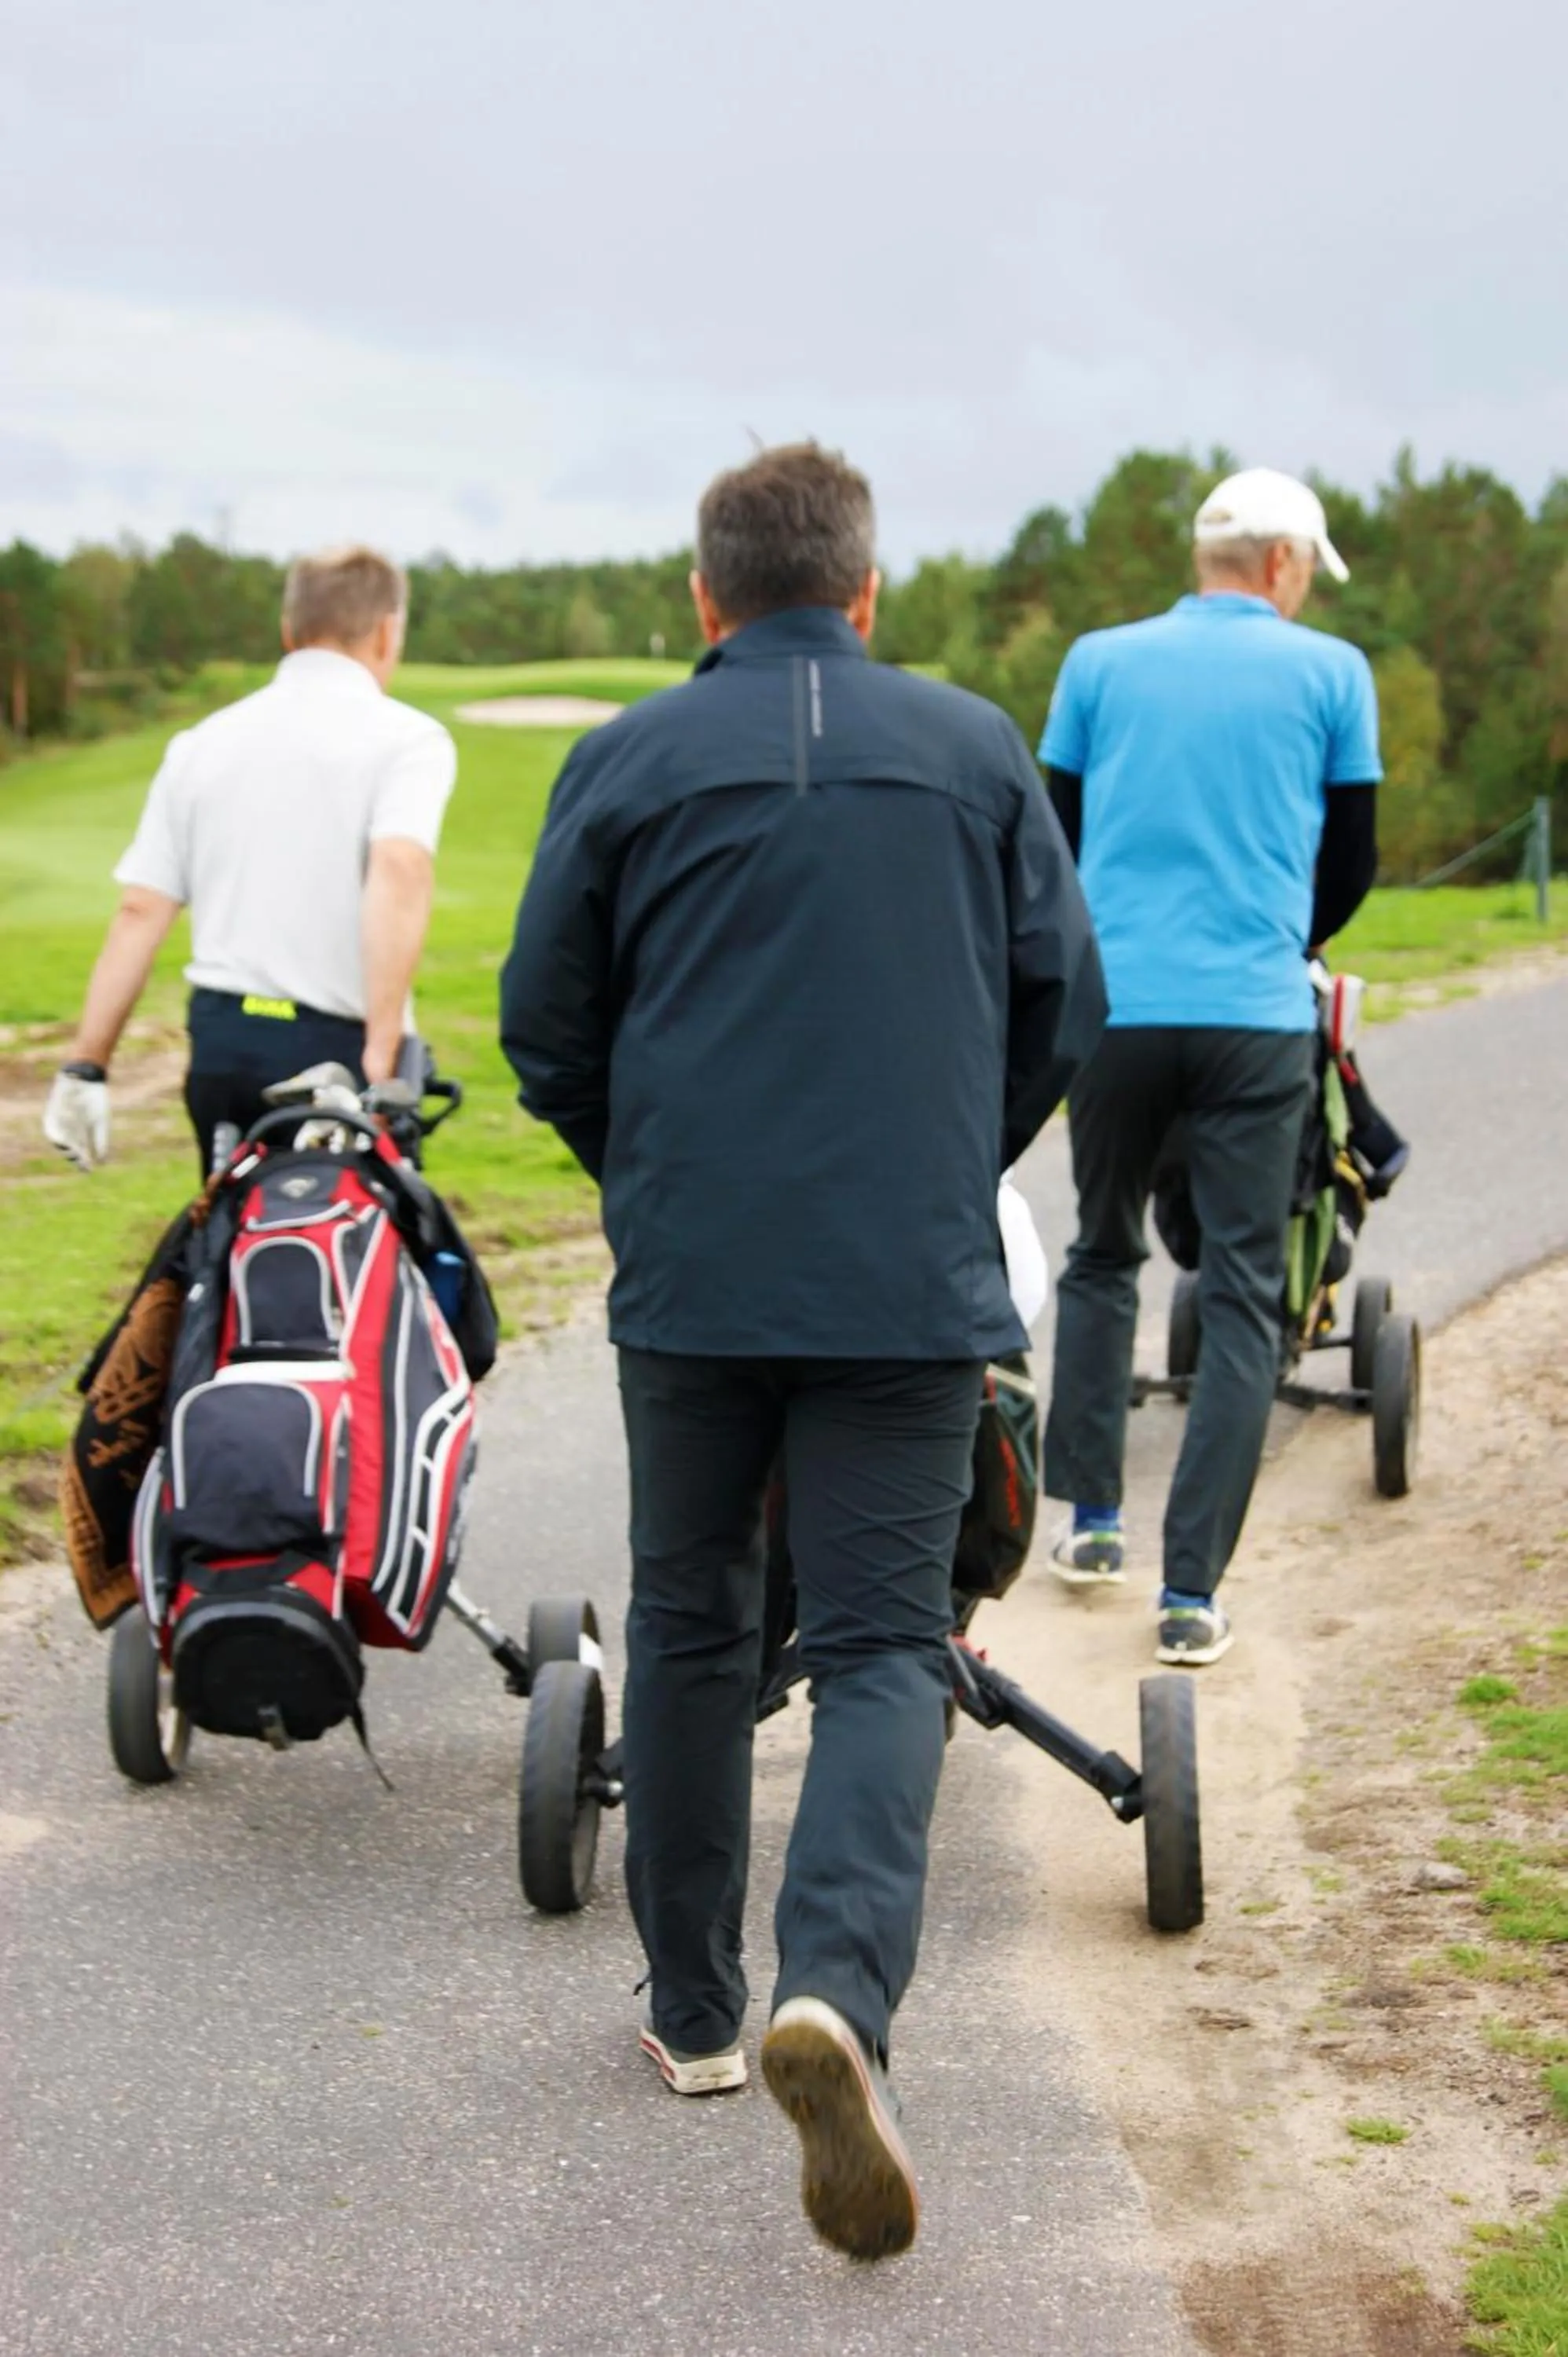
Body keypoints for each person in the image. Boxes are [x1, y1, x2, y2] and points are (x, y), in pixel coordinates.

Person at [500, 443, 1104, 2260]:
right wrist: (940, 1161)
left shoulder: (623, 759)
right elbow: (1059, 1006)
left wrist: (656, 1168)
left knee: (687, 1616)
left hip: (695, 1275)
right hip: (903, 1283)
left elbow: (547, 1023)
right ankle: (833, 1982)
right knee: (877, 1641)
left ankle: (695, 2012)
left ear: (704, 601)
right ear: (865, 592)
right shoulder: (978, 749)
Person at [1039, 466, 1381, 1667]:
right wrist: (1289, 939)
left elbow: (1059, 833)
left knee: (1100, 1252)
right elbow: (1351, 860)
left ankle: (1089, 1524)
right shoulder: (1333, 674)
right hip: (1250, 1015)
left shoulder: (1097, 661)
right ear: (1285, 564)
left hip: (1117, 1011)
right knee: (1242, 1292)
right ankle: (1190, 1593)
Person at [42, 546, 455, 1181]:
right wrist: (382, 1052)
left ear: (289, 630)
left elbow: (140, 908)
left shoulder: (200, 744)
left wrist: (86, 1065)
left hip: (223, 1041)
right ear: (386, 630)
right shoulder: (407, 739)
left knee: (234, 1237)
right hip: (338, 1047)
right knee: (348, 1250)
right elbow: (399, 869)